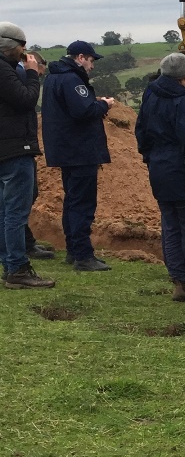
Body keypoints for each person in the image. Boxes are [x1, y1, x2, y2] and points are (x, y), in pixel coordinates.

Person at [135, 53, 185, 302]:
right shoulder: (184, 101)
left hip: (159, 168)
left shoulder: (150, 94)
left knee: (170, 225)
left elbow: (141, 131)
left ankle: (178, 278)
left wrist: (151, 158)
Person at [41, 40, 114, 272]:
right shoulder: (72, 79)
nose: (91, 67)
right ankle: (83, 255)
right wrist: (104, 105)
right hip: (80, 151)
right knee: (82, 203)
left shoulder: (53, 77)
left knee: (72, 201)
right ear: (80, 57)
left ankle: (74, 251)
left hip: (65, 149)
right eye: (91, 61)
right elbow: (83, 111)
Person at [0, 22, 54, 288]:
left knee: (4, 211)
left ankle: (10, 266)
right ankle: (18, 269)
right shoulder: (5, 70)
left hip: (4, 148)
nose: (25, 52)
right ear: (11, 46)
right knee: (14, 213)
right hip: (13, 149)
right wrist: (32, 74)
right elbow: (25, 100)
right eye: (22, 47)